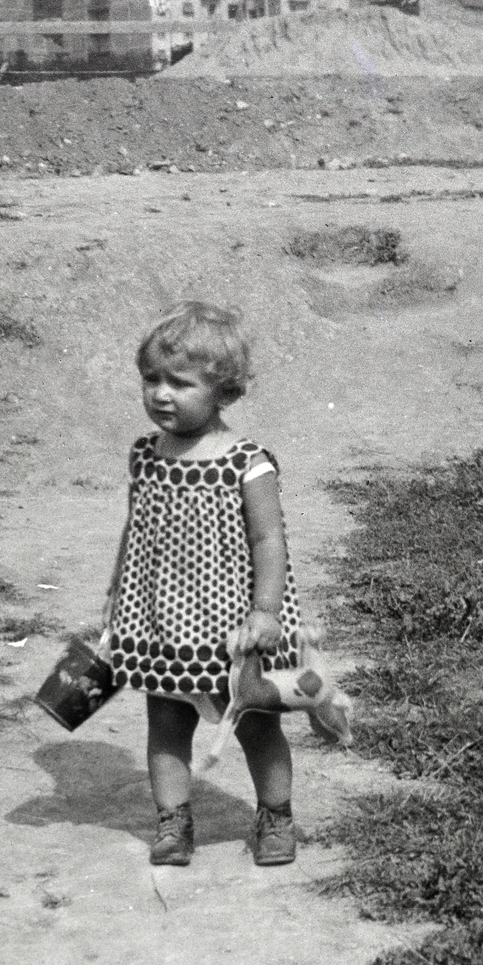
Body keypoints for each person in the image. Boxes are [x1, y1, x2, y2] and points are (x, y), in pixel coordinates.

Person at [103, 302, 301, 868]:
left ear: (225, 392)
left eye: (180, 383)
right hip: (160, 620)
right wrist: (117, 600)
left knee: (254, 722)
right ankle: (172, 822)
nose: (161, 394)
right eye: (151, 380)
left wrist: (266, 613)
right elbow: (135, 529)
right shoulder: (145, 455)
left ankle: (276, 815)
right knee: (166, 722)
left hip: (233, 625)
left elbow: (268, 541)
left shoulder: (247, 462)